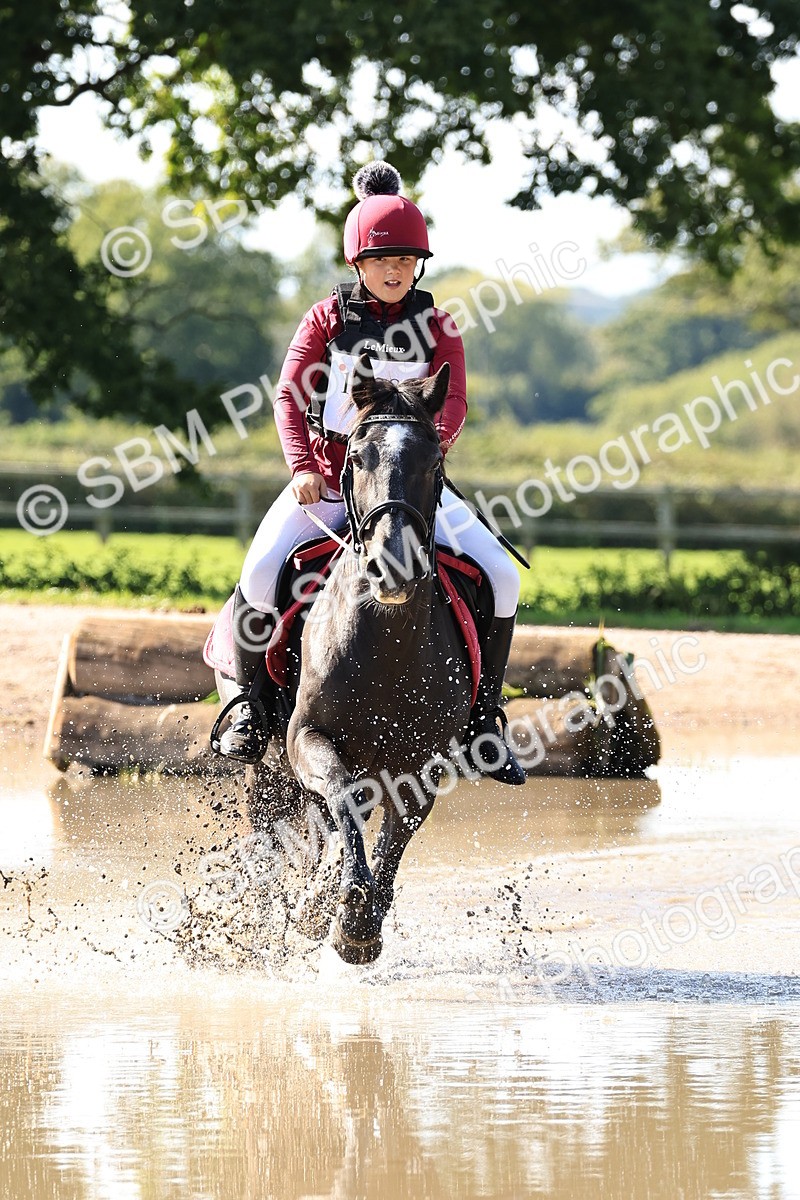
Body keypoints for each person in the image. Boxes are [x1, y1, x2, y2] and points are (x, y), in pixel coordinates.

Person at [218, 161, 525, 783]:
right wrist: (303, 465)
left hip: (410, 490)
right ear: (358, 263)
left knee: (502, 575)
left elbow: (456, 401)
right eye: (385, 261)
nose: (396, 271)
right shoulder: (326, 320)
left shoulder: (439, 326)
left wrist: (416, 459)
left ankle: (485, 720)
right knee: (258, 574)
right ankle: (249, 707)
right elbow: (288, 396)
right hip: (332, 483)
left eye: (409, 262)